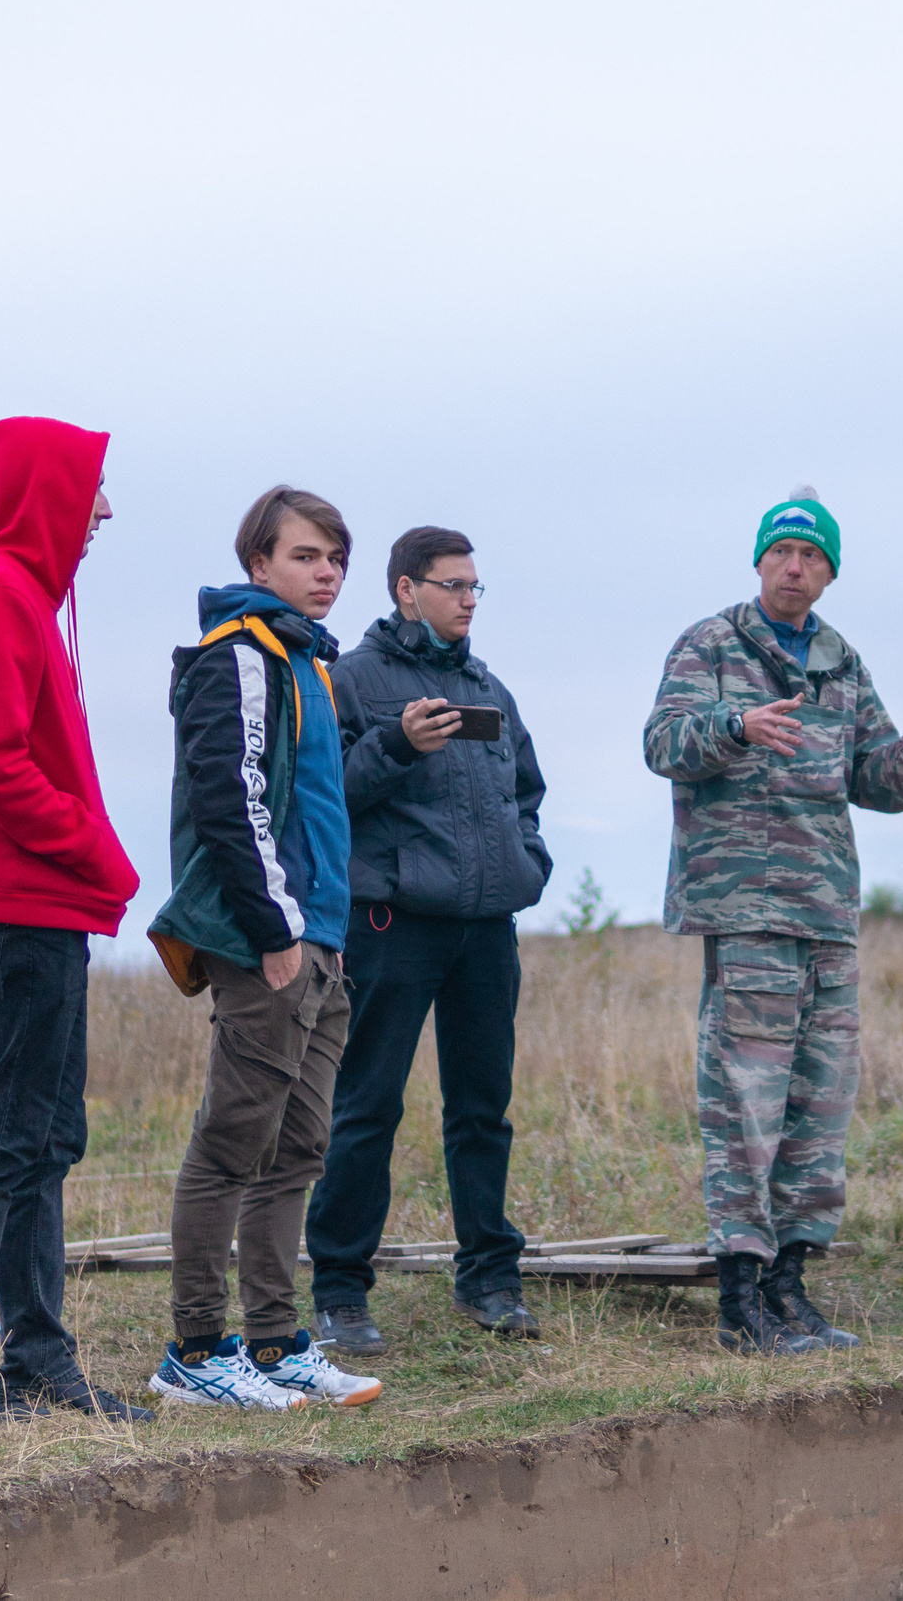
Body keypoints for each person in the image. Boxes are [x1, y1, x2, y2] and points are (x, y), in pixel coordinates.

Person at [643, 488, 903, 1353]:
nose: (795, 566)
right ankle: (740, 1300)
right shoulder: (710, 643)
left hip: (827, 912)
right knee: (747, 1102)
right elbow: (662, 743)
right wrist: (736, 725)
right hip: (746, 910)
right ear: (759, 559)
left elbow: (871, 774)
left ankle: (793, 1287)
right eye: (782, 551)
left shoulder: (840, 659)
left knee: (821, 1104)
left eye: (811, 556)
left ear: (829, 571)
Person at [0, 418, 148, 1422]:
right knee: (8, 1137)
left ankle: (41, 1358)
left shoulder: (26, 599)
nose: (102, 510)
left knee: (48, 1134)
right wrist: (97, 849)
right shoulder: (1, 596)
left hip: (49, 905)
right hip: (22, 903)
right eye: (90, 487)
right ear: (45, 490)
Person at [143, 486, 383, 1410]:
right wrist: (275, 932)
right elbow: (230, 798)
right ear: (258, 564)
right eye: (305, 556)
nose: (324, 574)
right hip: (267, 941)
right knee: (231, 1145)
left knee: (298, 1148)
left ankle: (278, 1344)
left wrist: (322, 937)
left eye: (334, 560)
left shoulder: (309, 665)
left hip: (324, 942)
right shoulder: (238, 656)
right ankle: (197, 1351)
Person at [306, 527, 553, 1355]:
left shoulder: (489, 687)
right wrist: (395, 744)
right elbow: (327, 793)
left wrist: (528, 863)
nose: (468, 600)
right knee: (366, 1107)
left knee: (483, 1110)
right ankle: (340, 1290)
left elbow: (527, 789)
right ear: (407, 589)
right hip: (391, 925)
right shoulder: (350, 681)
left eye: (476, 586)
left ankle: (489, 1277)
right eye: (453, 585)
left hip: (488, 928)